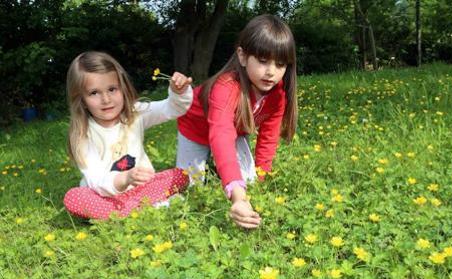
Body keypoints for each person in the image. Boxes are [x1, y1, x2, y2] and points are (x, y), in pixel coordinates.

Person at [176, 14, 297, 229]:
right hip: (195, 130)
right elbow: (221, 136)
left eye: (280, 64)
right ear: (242, 56)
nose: (271, 72)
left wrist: (262, 177)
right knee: (190, 189)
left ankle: (221, 171)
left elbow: (268, 139)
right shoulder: (225, 87)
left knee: (249, 180)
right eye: (262, 60)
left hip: (235, 131)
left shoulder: (278, 95)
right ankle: (211, 169)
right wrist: (238, 199)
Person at [63, 51, 193, 219]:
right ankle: (147, 208)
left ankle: (130, 211)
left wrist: (179, 92)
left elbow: (172, 108)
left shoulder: (134, 114)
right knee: (74, 197)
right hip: (105, 197)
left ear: (122, 88)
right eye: (94, 93)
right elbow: (95, 181)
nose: (106, 99)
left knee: (180, 175)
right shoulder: (83, 135)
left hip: (143, 188)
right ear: (81, 100)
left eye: (112, 89)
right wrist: (124, 179)